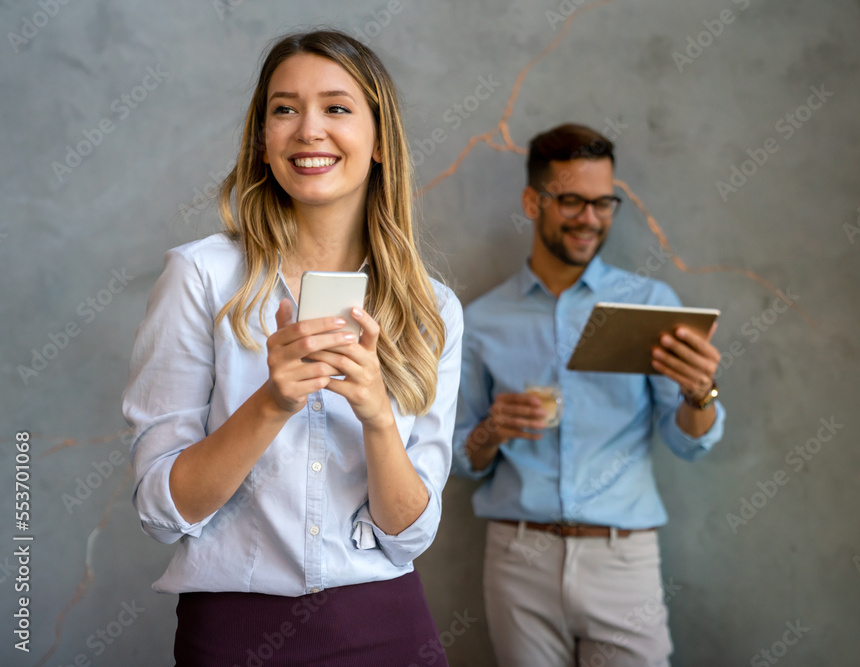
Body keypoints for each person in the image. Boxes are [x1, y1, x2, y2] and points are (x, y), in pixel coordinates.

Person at [122, 29, 462, 665]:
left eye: (337, 107)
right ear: (262, 139)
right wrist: (273, 402)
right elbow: (163, 510)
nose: (309, 129)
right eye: (285, 109)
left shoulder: (432, 308)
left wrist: (377, 417)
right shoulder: (199, 277)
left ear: (381, 140)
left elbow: (407, 533)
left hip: (387, 623)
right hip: (235, 630)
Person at [451, 123, 726, 667]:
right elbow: (460, 459)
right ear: (533, 201)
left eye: (604, 203)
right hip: (518, 557)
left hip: (622, 559)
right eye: (573, 201)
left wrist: (700, 394)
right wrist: (492, 431)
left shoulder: (650, 304)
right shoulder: (479, 320)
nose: (590, 219)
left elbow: (689, 442)